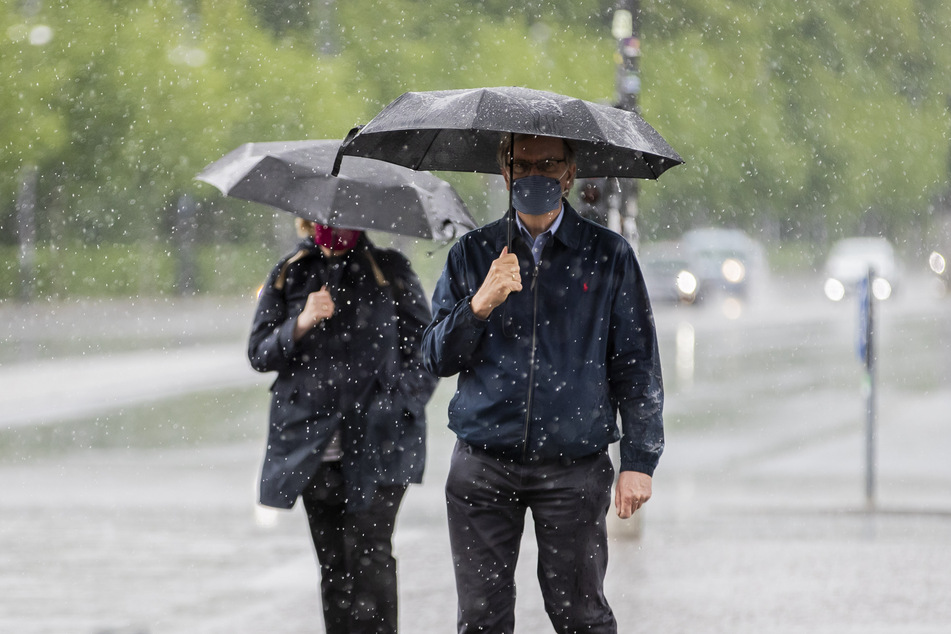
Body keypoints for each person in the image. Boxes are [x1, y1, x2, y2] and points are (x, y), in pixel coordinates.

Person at [421, 134, 664, 634]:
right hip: (483, 465)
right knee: (481, 620)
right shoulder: (472, 254)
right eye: (522, 163)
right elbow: (434, 356)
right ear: (505, 172)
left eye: (548, 163)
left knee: (581, 616)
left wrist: (638, 463)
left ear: (570, 173)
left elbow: (637, 367)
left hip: (573, 467)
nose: (535, 174)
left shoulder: (607, 254)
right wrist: (479, 305)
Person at [248, 217, 437, 634]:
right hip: (313, 450)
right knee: (334, 567)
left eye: (342, 217)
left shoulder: (389, 270)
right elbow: (260, 353)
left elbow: (426, 349)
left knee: (371, 558)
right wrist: (302, 320)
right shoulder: (290, 272)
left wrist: (398, 403)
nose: (331, 225)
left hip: (380, 445)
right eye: (320, 217)